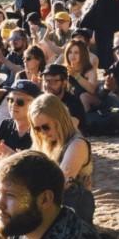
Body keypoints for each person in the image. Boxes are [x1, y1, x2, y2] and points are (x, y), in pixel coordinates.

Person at [30, 94, 94, 223]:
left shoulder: (77, 144)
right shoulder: (46, 142)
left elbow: (60, 184)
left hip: (71, 211)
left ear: (59, 121)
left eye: (46, 127)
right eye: (37, 129)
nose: (42, 132)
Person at [0, 80, 39, 169]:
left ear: (35, 104)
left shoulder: (41, 130)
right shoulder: (5, 124)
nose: (13, 105)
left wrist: (6, 153)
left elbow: (36, 171)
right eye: (10, 100)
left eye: (20, 102)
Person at [41, 63, 86, 128]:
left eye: (54, 81)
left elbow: (72, 125)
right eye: (46, 81)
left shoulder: (73, 103)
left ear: (64, 83)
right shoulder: (39, 100)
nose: (48, 85)